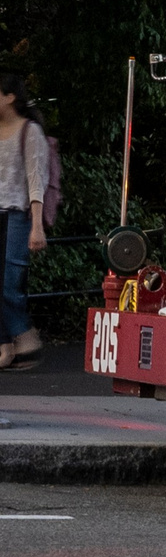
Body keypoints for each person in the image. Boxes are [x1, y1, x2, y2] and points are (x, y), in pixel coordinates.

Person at [0, 73, 52, 372]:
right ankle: (7, 348)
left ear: (10, 97)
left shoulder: (29, 132)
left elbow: (37, 181)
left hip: (18, 216)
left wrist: (37, 225)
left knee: (8, 284)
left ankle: (27, 337)